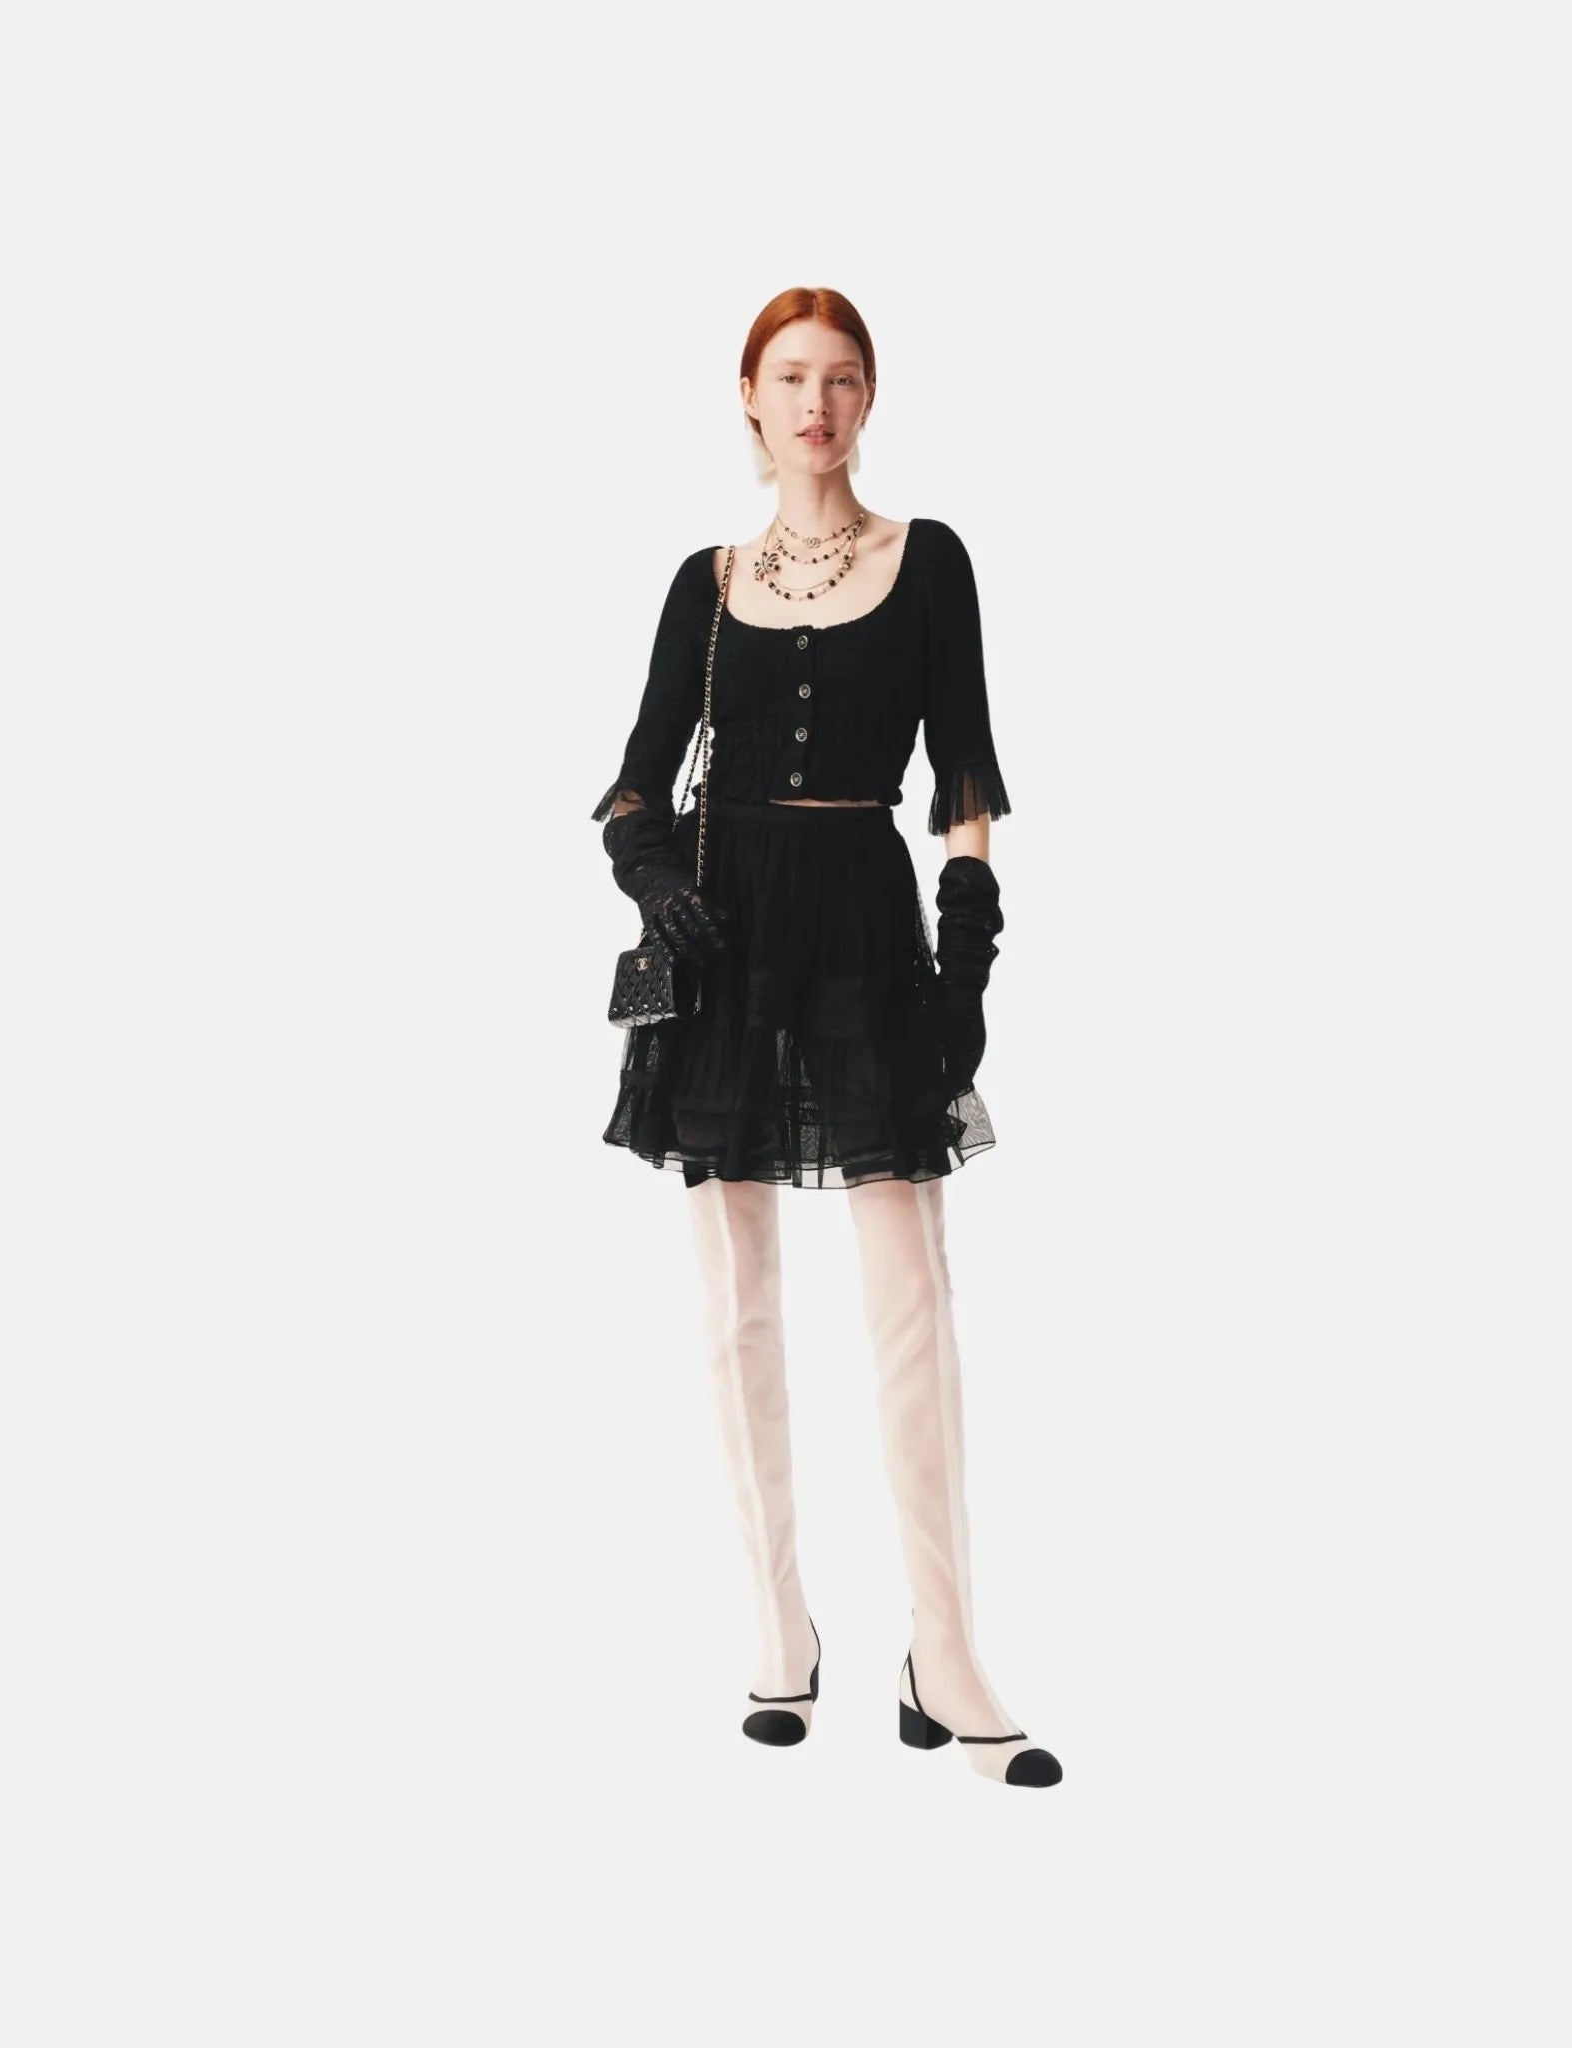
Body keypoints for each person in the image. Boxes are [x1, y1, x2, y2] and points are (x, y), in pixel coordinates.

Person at [591, 287, 1061, 1788]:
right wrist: (661, 886)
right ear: (748, 394)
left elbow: (967, 776)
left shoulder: (930, 562)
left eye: (842, 377)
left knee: (911, 1300)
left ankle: (946, 1647)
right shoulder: (706, 581)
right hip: (726, 946)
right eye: (790, 376)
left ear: (870, 398)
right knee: (735, 1305)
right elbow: (634, 783)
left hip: (865, 934)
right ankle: (777, 1628)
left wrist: (966, 965)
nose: (816, 403)